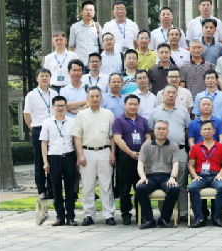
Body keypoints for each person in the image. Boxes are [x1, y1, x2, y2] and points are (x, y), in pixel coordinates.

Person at [72, 86, 117, 226]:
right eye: (92, 96)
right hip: (87, 153)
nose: (95, 99)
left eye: (97, 96)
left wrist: (113, 153)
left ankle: (109, 214)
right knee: (87, 186)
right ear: (87, 98)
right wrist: (80, 155)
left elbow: (113, 136)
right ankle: (88, 215)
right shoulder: (81, 115)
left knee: (106, 185)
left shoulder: (108, 114)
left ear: (101, 98)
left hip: (105, 151)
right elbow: (77, 136)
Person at [149, 85, 191, 214]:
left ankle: (183, 212)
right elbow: (151, 131)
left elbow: (187, 129)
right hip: (161, 151)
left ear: (176, 95)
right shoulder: (155, 111)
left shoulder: (183, 110)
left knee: (181, 182)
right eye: (168, 92)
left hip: (180, 149)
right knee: (163, 180)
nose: (171, 95)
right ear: (162, 94)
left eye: (173, 93)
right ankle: (164, 213)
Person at [134, 120, 181, 229]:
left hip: (167, 177)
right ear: (154, 131)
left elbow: (176, 164)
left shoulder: (174, 146)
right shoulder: (146, 145)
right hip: (150, 177)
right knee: (140, 189)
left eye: (163, 129)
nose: (161, 131)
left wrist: (173, 177)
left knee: (174, 189)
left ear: (168, 131)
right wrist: (142, 177)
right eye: (158, 128)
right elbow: (140, 164)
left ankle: (164, 219)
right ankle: (149, 220)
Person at [113, 94, 151, 225]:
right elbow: (117, 139)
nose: (133, 106)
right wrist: (130, 153)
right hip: (125, 158)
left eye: (135, 104)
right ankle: (126, 214)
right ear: (125, 105)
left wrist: (142, 152)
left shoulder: (143, 120)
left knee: (140, 186)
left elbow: (148, 137)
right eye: (130, 104)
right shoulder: (119, 120)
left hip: (141, 158)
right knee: (124, 188)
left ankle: (141, 213)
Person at [40, 96, 78, 226]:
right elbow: (44, 143)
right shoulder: (47, 123)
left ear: (66, 107)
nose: (60, 108)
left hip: (69, 157)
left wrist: (78, 158)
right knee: (56, 189)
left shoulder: (72, 121)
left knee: (70, 189)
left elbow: (76, 141)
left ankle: (71, 217)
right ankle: (60, 217)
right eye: (58, 105)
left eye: (62, 105)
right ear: (53, 107)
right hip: (54, 158)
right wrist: (45, 162)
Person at [187, 120, 222, 228]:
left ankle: (217, 217)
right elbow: (191, 165)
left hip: (215, 175)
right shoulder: (195, 148)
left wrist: (220, 174)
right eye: (204, 129)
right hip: (201, 176)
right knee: (192, 188)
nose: (207, 131)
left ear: (214, 131)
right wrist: (195, 176)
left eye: (209, 129)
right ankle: (199, 218)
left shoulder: (220, 147)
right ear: (200, 132)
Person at [24, 68, 57, 200]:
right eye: (42, 76)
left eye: (47, 76)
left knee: (52, 160)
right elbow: (27, 114)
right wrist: (32, 127)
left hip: (53, 130)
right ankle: (41, 190)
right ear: (37, 78)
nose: (44, 78)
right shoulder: (31, 95)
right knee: (39, 162)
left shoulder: (54, 93)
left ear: (50, 78)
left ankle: (52, 190)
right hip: (38, 129)